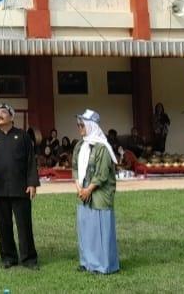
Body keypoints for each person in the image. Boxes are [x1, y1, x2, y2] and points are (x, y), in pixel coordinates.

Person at [0, 103, 39, 270]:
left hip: (21, 189)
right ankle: (8, 257)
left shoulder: (23, 136)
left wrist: (32, 183)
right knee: (3, 225)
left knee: (24, 225)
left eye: (3, 112)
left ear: (12, 117)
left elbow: (30, 161)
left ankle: (29, 258)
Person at [72, 109, 120, 275]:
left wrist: (88, 189)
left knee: (100, 229)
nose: (80, 128)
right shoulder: (80, 146)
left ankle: (103, 265)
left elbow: (102, 174)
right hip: (83, 193)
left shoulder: (102, 148)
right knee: (86, 228)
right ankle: (87, 262)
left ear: (91, 125)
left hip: (99, 194)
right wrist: (79, 188)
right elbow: (75, 168)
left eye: (82, 124)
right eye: (78, 125)